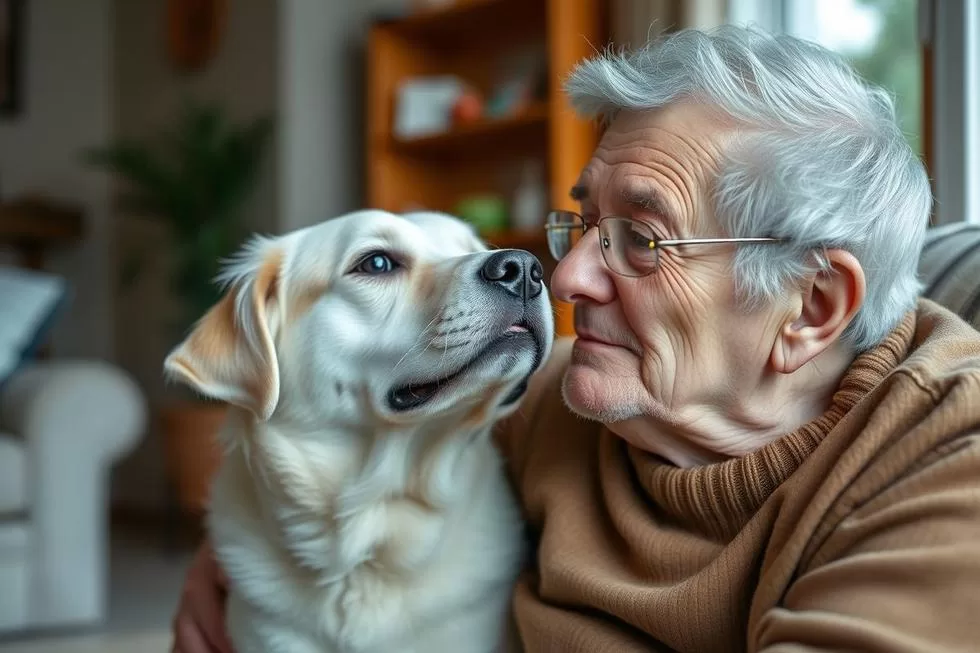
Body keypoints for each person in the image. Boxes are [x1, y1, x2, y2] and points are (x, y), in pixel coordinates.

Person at [171, 25, 980, 652]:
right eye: (585, 224)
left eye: (641, 239)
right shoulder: (558, 399)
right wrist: (238, 568)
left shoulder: (947, 463)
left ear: (812, 305)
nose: (565, 281)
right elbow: (319, 467)